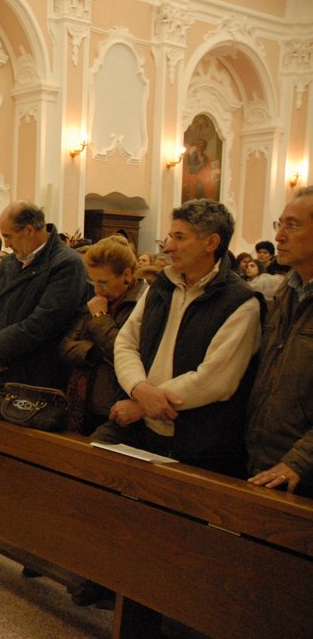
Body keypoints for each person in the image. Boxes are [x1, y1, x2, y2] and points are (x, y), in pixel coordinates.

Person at [101, 199, 263, 477]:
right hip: (140, 429)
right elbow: (126, 342)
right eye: (170, 237)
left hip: (198, 442)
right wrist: (139, 388)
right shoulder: (162, 284)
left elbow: (215, 380)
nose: (168, 247)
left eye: (179, 237)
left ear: (211, 242)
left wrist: (142, 406)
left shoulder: (240, 302)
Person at [0, 202, 89, 406]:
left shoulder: (66, 264)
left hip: (33, 380)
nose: (6, 245)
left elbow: (43, 322)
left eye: (7, 236)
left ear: (28, 231)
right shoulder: (9, 263)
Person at [246, 186, 313, 497]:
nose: (279, 237)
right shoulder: (286, 292)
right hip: (265, 462)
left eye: (293, 225)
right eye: (280, 224)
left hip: (301, 473)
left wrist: (299, 462)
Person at [58, 236, 141, 435]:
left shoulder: (141, 304)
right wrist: (93, 352)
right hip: (84, 397)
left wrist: (100, 317)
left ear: (127, 275)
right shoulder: (97, 299)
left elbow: (123, 352)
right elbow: (66, 345)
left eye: (103, 283)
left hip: (114, 404)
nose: (96, 289)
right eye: (93, 281)